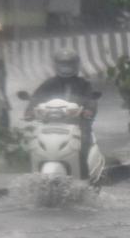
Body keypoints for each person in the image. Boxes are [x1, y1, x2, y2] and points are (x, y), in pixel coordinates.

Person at [25, 48, 97, 177]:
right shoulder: (48, 84)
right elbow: (36, 98)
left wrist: (88, 110)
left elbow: (90, 99)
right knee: (31, 145)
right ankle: (32, 177)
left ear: (76, 64)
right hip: (49, 124)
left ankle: (85, 178)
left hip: (77, 124)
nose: (66, 67)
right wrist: (30, 110)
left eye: (69, 64)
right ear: (56, 64)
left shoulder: (83, 84)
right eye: (63, 64)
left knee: (83, 147)